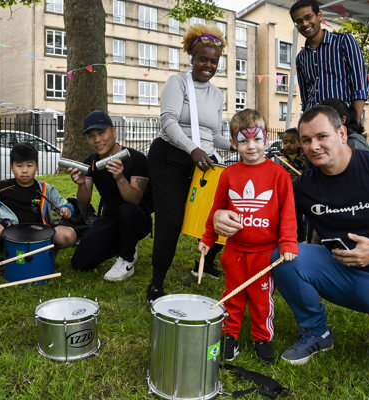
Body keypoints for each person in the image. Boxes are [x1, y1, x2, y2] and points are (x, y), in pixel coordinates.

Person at [213, 106, 369, 373]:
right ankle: (316, 332)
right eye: (306, 140)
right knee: (282, 256)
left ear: (342, 133)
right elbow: (264, 213)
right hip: (340, 269)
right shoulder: (303, 185)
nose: (314, 146)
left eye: (322, 136)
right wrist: (221, 214)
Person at [199, 109, 298, 364]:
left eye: (256, 139)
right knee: (232, 294)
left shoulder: (280, 175)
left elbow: (288, 212)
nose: (251, 146)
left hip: (265, 253)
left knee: (260, 298)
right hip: (234, 250)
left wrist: (288, 242)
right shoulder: (228, 175)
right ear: (234, 143)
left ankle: (261, 337)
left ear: (266, 139)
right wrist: (208, 239)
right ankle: (229, 334)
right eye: (243, 140)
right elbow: (216, 209)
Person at [147, 24, 230, 301]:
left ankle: (203, 266)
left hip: (203, 162)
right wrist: (193, 149)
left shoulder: (218, 94)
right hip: (170, 156)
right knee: (170, 220)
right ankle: (157, 283)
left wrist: (238, 144)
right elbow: (168, 121)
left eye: (213, 61)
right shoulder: (178, 82)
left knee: (218, 216)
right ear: (192, 58)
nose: (208, 65)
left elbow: (214, 135)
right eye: (203, 59)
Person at [68, 110, 152, 281]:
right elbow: (84, 201)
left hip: (137, 218)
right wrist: (82, 184)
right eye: (91, 136)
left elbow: (135, 199)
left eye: (101, 133)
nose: (97, 139)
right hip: (109, 219)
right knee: (80, 263)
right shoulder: (91, 162)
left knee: (127, 210)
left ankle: (127, 259)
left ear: (113, 132)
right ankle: (125, 243)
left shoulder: (136, 159)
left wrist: (120, 178)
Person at [0, 143, 77, 254]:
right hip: (9, 230)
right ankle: (5, 255)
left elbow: (63, 204)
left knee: (69, 235)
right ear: (12, 167)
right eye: (19, 165)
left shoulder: (46, 189)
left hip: (42, 230)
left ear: (36, 166)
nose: (24, 170)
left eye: (29, 165)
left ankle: (46, 255)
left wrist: (66, 209)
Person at [291, 0, 369, 120]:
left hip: (341, 121)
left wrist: (354, 125)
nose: (305, 23)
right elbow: (305, 99)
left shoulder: (344, 42)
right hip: (314, 122)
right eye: (299, 21)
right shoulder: (301, 57)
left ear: (319, 16)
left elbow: (360, 86)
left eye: (308, 17)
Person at [275, 128, 307, 242]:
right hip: (285, 194)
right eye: (285, 142)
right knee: (285, 218)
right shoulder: (279, 158)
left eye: (292, 142)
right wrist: (286, 176)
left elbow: (309, 172)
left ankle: (302, 241)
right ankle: (284, 239)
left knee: (302, 220)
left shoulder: (304, 156)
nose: (288, 145)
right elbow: (276, 175)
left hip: (300, 195)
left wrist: (303, 173)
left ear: (299, 142)